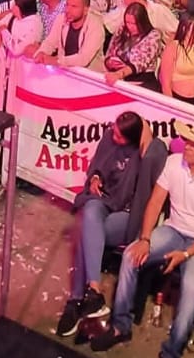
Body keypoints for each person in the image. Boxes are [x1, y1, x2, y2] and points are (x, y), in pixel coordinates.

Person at [91, 119, 194, 358]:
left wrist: (186, 254)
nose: (188, 146)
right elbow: (155, 202)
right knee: (131, 255)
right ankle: (121, 326)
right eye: (188, 141)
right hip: (173, 230)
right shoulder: (174, 163)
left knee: (191, 291)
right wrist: (144, 239)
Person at [55, 112, 168, 336]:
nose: (112, 136)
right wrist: (96, 178)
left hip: (126, 215)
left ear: (133, 138)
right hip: (104, 200)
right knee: (90, 213)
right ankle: (94, 290)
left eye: (119, 136)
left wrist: (145, 126)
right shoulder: (109, 137)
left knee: (87, 234)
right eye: (113, 131)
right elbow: (98, 165)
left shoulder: (150, 152)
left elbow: (152, 153)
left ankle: (77, 300)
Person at [35, 0, 104, 69]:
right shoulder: (61, 19)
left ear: (86, 10)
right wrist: (42, 52)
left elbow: (83, 59)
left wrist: (56, 61)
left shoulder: (95, 27)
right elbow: (50, 42)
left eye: (74, 7)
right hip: (65, 71)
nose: (68, 10)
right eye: (67, 5)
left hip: (88, 76)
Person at [104, 1, 164, 89]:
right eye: (128, 22)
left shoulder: (154, 35)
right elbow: (111, 50)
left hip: (142, 82)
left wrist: (119, 74)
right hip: (119, 79)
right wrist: (109, 62)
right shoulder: (122, 29)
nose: (130, 26)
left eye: (134, 23)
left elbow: (140, 63)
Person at [159, 15, 194, 105]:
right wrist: (171, 106)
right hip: (176, 99)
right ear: (185, 28)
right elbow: (165, 83)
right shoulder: (174, 47)